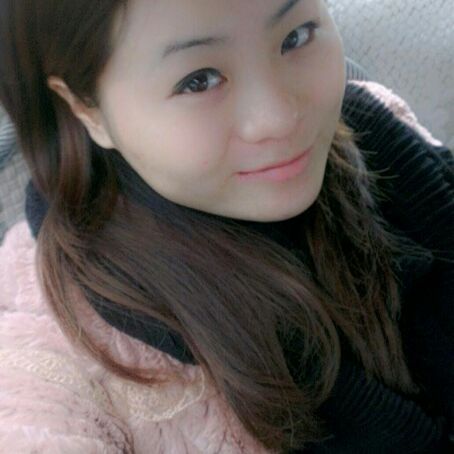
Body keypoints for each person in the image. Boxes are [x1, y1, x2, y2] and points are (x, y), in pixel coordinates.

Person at [0, 0, 452, 452]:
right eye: (198, 80)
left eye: (295, 37)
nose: (279, 118)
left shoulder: (378, 132)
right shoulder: (51, 337)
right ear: (86, 109)